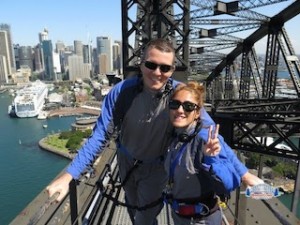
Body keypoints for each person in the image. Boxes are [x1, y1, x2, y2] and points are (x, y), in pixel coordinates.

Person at [46, 38, 262, 225]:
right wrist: (69, 175)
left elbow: (212, 133)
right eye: (151, 64)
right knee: (132, 208)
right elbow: (100, 135)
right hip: (125, 161)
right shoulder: (122, 92)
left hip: (156, 168)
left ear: (172, 70)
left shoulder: (179, 95)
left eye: (165, 68)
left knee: (144, 218)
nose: (157, 73)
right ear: (141, 65)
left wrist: (244, 174)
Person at [164, 81, 264, 224]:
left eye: (188, 106)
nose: (180, 110)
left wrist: (212, 160)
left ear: (198, 113)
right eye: (175, 104)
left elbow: (230, 182)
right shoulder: (177, 136)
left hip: (200, 220)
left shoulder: (204, 138)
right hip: (181, 216)